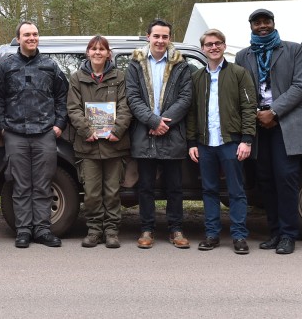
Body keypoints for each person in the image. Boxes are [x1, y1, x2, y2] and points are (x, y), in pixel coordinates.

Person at [236, 9, 302, 255]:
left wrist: (274, 112)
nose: (262, 26)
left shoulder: (293, 49)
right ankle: (275, 232)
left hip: (286, 124)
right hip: (257, 126)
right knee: (265, 180)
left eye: (266, 21)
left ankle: (289, 235)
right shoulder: (243, 55)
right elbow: (242, 89)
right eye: (257, 23)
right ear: (251, 27)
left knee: (287, 178)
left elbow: (301, 86)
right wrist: (258, 113)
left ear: (273, 23)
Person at [0, 21, 68, 249]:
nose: (31, 38)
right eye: (27, 34)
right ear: (18, 38)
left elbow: (62, 96)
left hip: (44, 133)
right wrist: (2, 126)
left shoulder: (50, 65)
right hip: (15, 133)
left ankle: (43, 229)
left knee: (43, 183)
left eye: (35, 34)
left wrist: (59, 124)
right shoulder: (6, 66)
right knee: (20, 184)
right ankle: (24, 230)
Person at [125, 18, 193, 250]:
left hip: (172, 133)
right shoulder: (135, 64)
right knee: (145, 187)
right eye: (156, 36)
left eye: (165, 36)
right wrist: (153, 121)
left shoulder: (181, 65)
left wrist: (165, 123)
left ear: (170, 39)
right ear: (148, 37)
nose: (160, 40)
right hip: (144, 133)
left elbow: (185, 98)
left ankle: (176, 229)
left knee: (175, 187)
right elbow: (132, 97)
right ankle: (147, 229)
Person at [187, 29, 256, 255]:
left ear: (224, 46)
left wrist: (246, 140)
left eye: (217, 43)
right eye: (209, 44)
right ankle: (212, 234)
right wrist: (192, 142)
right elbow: (192, 113)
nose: (213, 47)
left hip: (231, 142)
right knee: (209, 190)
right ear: (203, 48)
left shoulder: (239, 73)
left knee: (236, 191)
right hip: (205, 143)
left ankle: (238, 236)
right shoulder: (197, 77)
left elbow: (248, 109)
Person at [67, 36, 132, 249]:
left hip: (114, 145)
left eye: (102, 49)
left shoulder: (119, 77)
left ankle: (112, 230)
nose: (97, 53)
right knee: (92, 192)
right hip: (88, 145)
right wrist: (86, 130)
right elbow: (73, 108)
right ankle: (94, 230)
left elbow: (125, 106)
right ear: (88, 52)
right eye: (94, 49)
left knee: (112, 191)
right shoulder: (77, 78)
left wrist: (117, 130)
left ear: (108, 53)